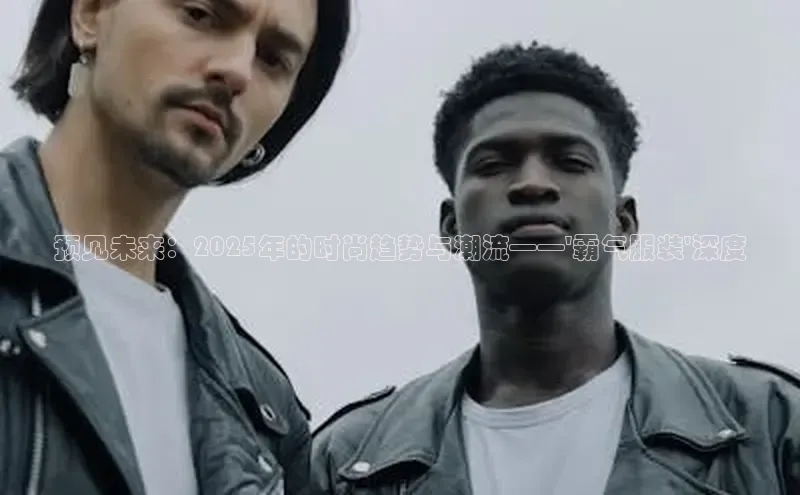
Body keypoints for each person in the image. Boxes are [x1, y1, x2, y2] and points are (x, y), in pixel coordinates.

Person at [309, 41, 800, 494]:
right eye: (493, 164)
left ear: (623, 222)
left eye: (571, 161)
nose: (532, 184)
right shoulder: (345, 462)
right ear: (451, 226)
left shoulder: (771, 423)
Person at [0, 0, 349, 493]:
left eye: (273, 59)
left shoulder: (265, 411)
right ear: (91, 14)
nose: (237, 71)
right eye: (201, 14)